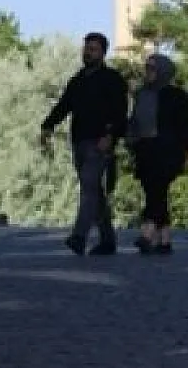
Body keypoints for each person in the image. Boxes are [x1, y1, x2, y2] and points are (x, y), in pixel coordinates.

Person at [41, 33, 129, 257]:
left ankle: (79, 236)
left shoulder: (112, 79)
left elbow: (120, 112)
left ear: (103, 53)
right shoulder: (78, 80)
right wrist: (48, 126)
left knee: (89, 187)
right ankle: (107, 240)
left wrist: (110, 136)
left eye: (93, 49)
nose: (88, 53)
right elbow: (64, 105)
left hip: (99, 143)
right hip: (79, 141)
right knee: (94, 191)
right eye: (86, 48)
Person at [126, 53, 188, 256]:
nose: (147, 72)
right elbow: (135, 119)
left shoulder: (176, 96)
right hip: (145, 150)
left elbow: (185, 125)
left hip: (167, 151)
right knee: (155, 192)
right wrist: (131, 138)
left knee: (156, 190)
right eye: (146, 68)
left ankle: (148, 233)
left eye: (152, 68)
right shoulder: (142, 94)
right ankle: (164, 239)